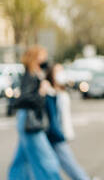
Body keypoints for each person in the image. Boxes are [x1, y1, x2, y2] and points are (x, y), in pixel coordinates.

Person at [8, 45, 61, 180]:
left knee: (22, 161)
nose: (45, 58)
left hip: (27, 119)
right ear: (35, 58)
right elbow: (24, 99)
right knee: (47, 159)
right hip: (30, 120)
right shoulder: (30, 75)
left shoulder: (35, 73)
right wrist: (42, 92)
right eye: (42, 55)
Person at [45, 63, 90, 180]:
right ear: (51, 75)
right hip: (56, 134)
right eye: (57, 71)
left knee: (56, 163)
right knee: (68, 163)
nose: (61, 73)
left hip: (62, 133)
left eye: (62, 70)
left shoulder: (62, 91)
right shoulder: (50, 93)